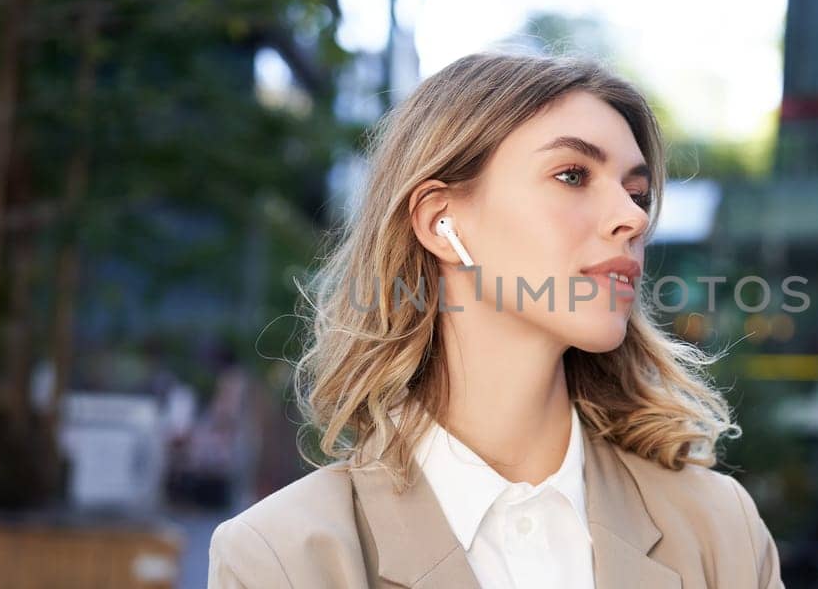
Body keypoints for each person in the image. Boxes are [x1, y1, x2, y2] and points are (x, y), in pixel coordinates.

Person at [207, 51, 783, 588]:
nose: (631, 218)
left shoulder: (719, 530)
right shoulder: (281, 557)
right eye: (573, 175)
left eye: (637, 192)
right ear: (440, 222)